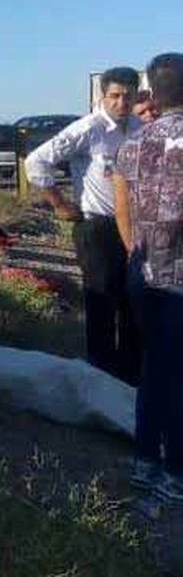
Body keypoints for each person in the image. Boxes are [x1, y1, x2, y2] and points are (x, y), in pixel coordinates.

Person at [24, 66, 142, 385]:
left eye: (128, 96)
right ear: (103, 96)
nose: (121, 102)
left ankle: (130, 375)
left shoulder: (138, 127)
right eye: (115, 96)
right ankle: (101, 375)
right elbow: (35, 161)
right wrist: (60, 204)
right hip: (97, 226)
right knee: (101, 299)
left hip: (132, 227)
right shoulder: (87, 129)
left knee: (133, 301)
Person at [113, 52, 183, 501]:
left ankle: (145, 461)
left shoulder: (130, 144)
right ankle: (175, 471)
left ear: (151, 94)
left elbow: (122, 211)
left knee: (154, 367)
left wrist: (137, 257)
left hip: (141, 273)